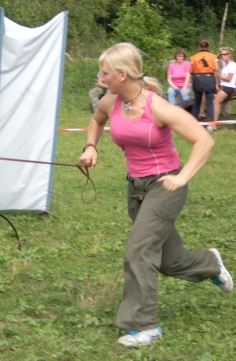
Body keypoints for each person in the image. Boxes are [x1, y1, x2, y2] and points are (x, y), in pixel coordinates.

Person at [78, 42, 233, 347]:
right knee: (168, 260)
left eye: (106, 72)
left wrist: (182, 177)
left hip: (166, 186)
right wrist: (90, 146)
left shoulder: (158, 106)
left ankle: (144, 325)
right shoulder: (111, 102)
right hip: (136, 188)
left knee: (139, 251)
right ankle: (211, 264)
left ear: (122, 74)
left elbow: (204, 140)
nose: (102, 77)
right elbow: (96, 122)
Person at [190, 40, 219, 131]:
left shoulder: (193, 57)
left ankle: (194, 122)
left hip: (198, 78)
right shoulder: (214, 57)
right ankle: (210, 123)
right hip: (209, 78)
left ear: (199, 47)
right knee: (209, 102)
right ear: (208, 47)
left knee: (197, 102)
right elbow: (217, 69)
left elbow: (191, 71)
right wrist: (219, 82)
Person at [213, 47, 236, 127]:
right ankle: (212, 121)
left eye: (225, 54)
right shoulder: (224, 63)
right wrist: (221, 50)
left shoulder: (232, 65)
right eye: (222, 54)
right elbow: (215, 59)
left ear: (229, 55)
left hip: (229, 86)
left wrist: (219, 77)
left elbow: (229, 79)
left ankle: (214, 124)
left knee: (216, 102)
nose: (223, 56)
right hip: (223, 86)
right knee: (212, 98)